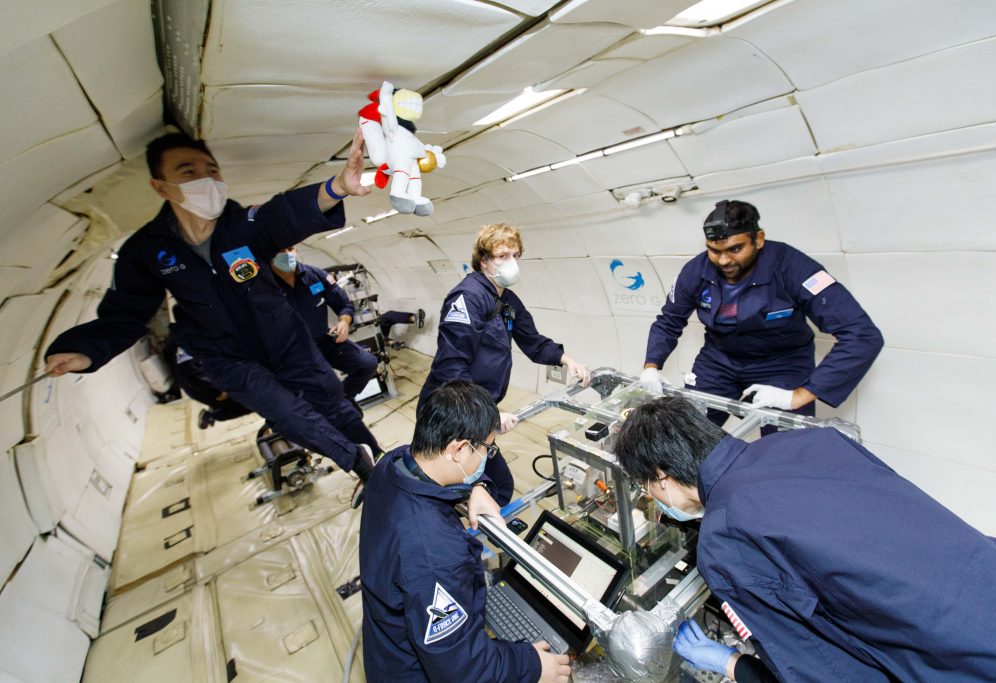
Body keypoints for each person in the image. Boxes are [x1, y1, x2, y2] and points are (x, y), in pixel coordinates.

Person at [44, 131, 381, 503]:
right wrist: (83, 351)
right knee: (288, 413)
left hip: (282, 336)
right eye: (188, 172)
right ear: (161, 187)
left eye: (212, 170)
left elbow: (282, 216)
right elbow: (126, 313)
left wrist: (337, 187)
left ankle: (373, 453)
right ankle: (361, 465)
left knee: (332, 398)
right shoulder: (147, 250)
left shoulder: (242, 225)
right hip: (225, 354)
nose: (206, 180)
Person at [613, 396, 996, 681]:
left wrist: (732, 664)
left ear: (661, 476)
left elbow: (824, 671)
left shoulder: (724, 539)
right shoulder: (815, 439)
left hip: (970, 664)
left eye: (645, 487)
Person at [360, 380, 571, 683]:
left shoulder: (390, 467)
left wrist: (477, 485)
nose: (488, 456)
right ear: (458, 450)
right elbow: (465, 672)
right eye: (487, 448)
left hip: (387, 649)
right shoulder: (436, 555)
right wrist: (532, 666)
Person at [641, 200, 883, 425]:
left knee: (784, 451)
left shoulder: (793, 268)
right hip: (718, 362)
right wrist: (651, 366)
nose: (724, 260)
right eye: (714, 251)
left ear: (759, 239)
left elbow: (861, 335)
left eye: (735, 249)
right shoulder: (696, 271)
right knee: (685, 434)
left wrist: (798, 396)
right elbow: (669, 321)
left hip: (782, 364)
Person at [417, 223, 591, 504]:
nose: (511, 263)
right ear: (484, 260)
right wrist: (489, 415)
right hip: (451, 414)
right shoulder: (468, 298)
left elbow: (532, 341)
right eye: (502, 256)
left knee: (497, 487)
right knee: (463, 488)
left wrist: (566, 360)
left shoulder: (506, 302)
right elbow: (451, 365)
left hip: (477, 414)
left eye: (515, 255)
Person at [270, 246, 379, 406]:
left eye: (290, 248)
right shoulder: (264, 286)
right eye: (280, 250)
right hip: (292, 351)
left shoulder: (316, 276)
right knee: (293, 398)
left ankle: (343, 400)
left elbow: (344, 305)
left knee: (367, 363)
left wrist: (344, 321)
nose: (287, 254)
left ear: (296, 250)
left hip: (323, 341)